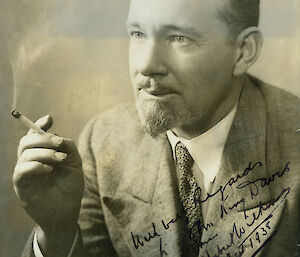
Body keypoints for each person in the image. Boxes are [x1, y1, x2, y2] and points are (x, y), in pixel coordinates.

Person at [14, 0, 300, 256]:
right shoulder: (103, 140)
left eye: (179, 37)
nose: (146, 64)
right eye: (138, 34)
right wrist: (58, 232)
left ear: (243, 52)